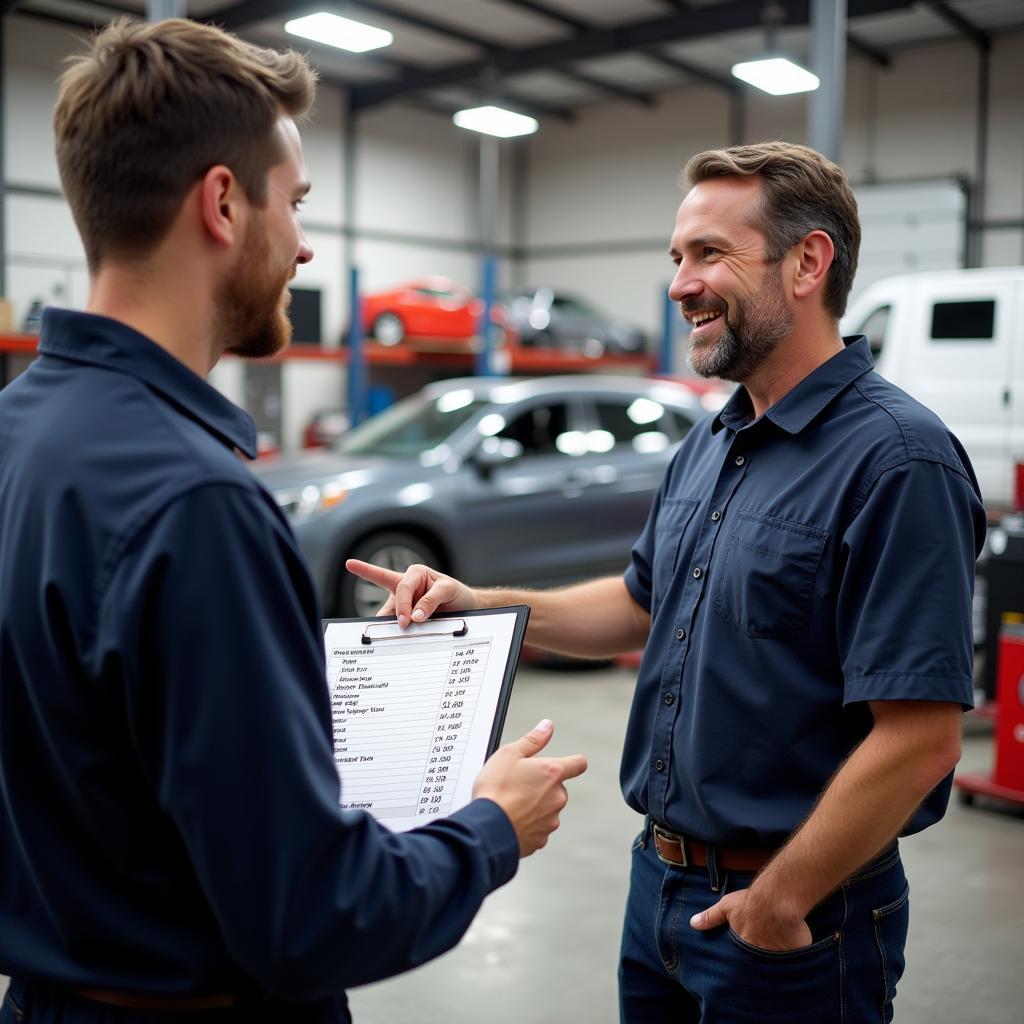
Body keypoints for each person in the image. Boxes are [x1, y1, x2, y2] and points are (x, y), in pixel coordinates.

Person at [0, 18, 587, 1024]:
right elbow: (311, 917)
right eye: (298, 202)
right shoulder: (198, 504)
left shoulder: (18, 434)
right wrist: (492, 825)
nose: (306, 244)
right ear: (224, 202)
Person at [349, 141, 986, 1023]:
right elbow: (640, 604)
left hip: (795, 915)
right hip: (660, 886)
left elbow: (921, 739)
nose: (681, 284)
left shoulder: (898, 461)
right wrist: (481, 603)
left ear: (809, 262)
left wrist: (779, 899)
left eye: (710, 255)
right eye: (677, 258)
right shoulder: (713, 440)